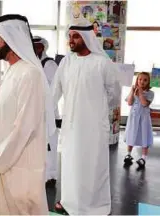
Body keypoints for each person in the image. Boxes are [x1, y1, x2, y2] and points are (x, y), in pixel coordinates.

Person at [0, 14, 56, 215]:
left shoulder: (31, 74)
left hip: (17, 166)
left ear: (11, 38)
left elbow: (24, 127)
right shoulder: (12, 71)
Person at [52, 19, 121, 215]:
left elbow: (114, 94)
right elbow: (55, 90)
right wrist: (47, 113)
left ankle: (94, 207)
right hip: (71, 126)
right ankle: (69, 203)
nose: (71, 41)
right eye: (69, 36)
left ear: (87, 38)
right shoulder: (66, 61)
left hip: (93, 127)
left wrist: (94, 109)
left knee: (92, 167)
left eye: (75, 37)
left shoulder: (102, 63)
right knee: (71, 165)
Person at [33, 35, 60, 188]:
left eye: (38, 46)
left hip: (49, 111)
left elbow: (55, 89)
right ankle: (42, 174)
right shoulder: (32, 63)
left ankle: (51, 175)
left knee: (50, 144)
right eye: (34, 46)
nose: (36, 49)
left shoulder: (49, 64)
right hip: (36, 111)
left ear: (43, 48)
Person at [124, 72, 154, 169]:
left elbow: (145, 103)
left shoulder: (150, 93)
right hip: (133, 118)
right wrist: (132, 92)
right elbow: (129, 102)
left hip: (144, 119)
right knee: (131, 134)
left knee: (144, 136)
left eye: (145, 80)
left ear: (148, 82)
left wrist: (140, 93)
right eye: (140, 79)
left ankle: (143, 158)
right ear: (137, 80)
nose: (142, 82)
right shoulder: (134, 90)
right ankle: (128, 154)